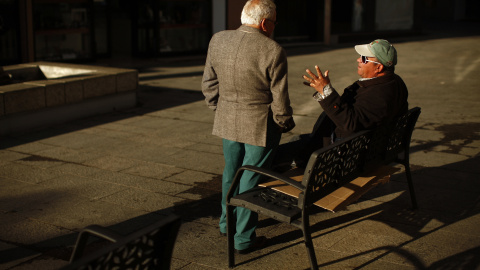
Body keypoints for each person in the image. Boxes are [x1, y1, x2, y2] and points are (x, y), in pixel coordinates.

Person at [201, 0, 295, 254]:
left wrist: (218, 109)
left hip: (227, 119)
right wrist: (285, 122)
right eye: (274, 22)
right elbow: (280, 100)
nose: (274, 27)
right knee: (251, 178)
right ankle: (243, 239)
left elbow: (208, 84)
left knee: (230, 173)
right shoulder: (273, 50)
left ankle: (226, 224)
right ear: (265, 23)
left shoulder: (218, 40)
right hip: (259, 125)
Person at [277, 39, 408, 168]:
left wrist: (326, 92)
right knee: (296, 140)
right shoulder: (394, 82)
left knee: (273, 156)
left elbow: (350, 123)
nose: (358, 60)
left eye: (364, 59)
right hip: (358, 147)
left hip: (340, 154)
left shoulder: (380, 94)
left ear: (378, 68)